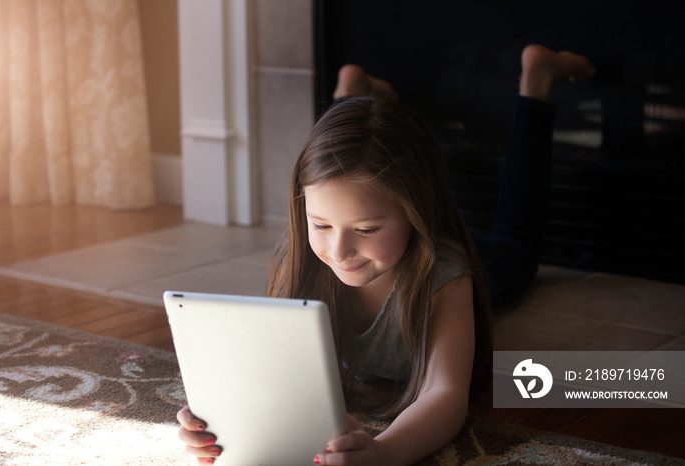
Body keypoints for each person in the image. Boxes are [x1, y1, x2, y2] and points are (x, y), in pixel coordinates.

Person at [176, 44, 596, 466]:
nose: (338, 251)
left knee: (516, 246)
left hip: (460, 256)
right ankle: (355, 100)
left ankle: (536, 84)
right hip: (398, 218)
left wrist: (386, 451)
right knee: (353, 155)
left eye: (366, 230)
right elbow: (268, 373)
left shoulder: (447, 272)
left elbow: (445, 394)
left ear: (415, 214)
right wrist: (218, 418)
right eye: (321, 224)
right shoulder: (304, 253)